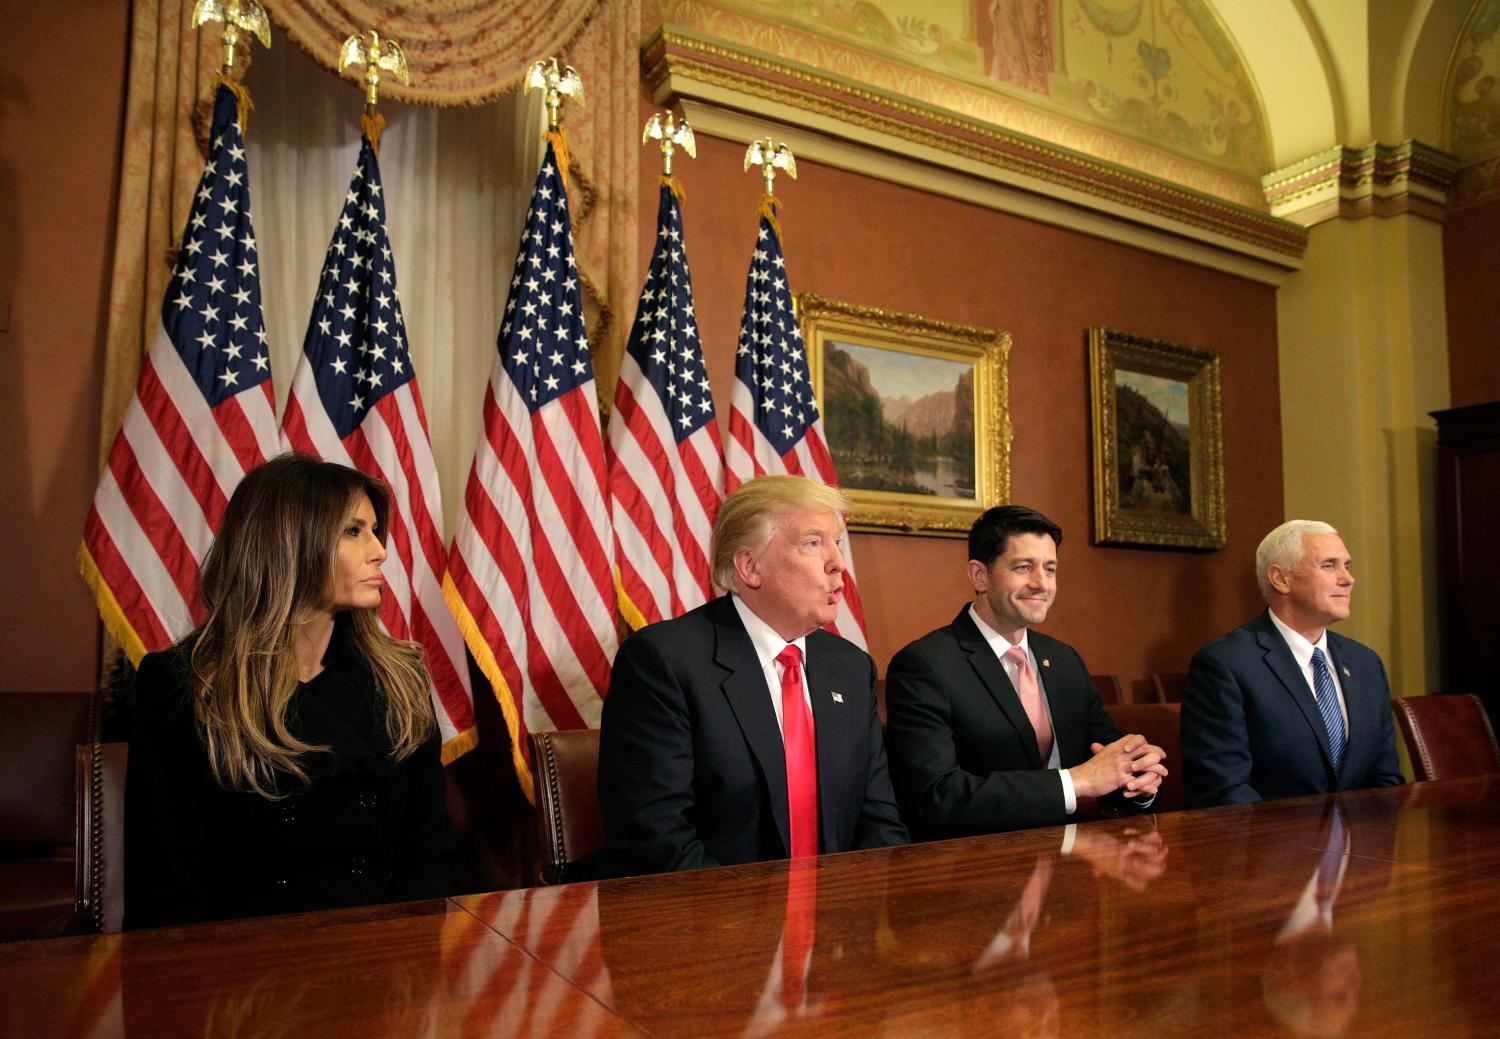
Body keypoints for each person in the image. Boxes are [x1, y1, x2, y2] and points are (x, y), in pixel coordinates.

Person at [124, 453, 456, 929]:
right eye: (353, 531)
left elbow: (431, 859)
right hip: (237, 981)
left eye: (374, 529)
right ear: (288, 543)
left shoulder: (400, 679)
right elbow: (166, 886)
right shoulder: (181, 683)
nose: (380, 550)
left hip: (382, 965)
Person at [596, 475, 908, 877]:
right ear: (750, 567)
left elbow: (879, 820)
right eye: (813, 543)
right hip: (712, 922)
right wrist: (751, 932)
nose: (839, 564)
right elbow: (658, 840)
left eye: (838, 542)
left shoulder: (849, 667)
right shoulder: (664, 662)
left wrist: (848, 918)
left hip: (836, 923)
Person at [885, 505, 1165, 840]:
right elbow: (936, 797)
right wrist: (1075, 781)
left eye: (1050, 569)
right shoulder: (926, 664)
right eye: (1023, 567)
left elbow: (1103, 761)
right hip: (977, 869)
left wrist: (1138, 777)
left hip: (1072, 865)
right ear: (979, 575)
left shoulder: (1064, 661)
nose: (1041, 584)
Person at [1180, 519, 1404, 807]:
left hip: (1362, 846)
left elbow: (1385, 781)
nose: (1348, 579)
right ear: (1280, 579)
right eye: (1329, 565)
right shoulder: (1226, 665)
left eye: (1347, 565)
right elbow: (1224, 790)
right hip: (1268, 846)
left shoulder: (1365, 664)